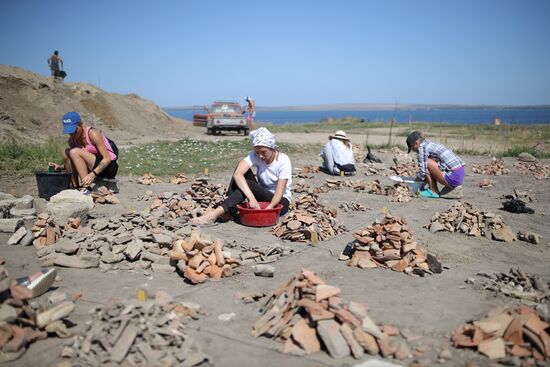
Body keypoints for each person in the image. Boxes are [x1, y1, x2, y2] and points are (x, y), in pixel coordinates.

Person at [190, 127, 292, 225]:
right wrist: (252, 198)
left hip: (279, 202)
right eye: (257, 152)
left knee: (248, 184)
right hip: (261, 196)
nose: (260, 156)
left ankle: (215, 214)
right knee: (240, 171)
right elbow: (238, 174)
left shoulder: (283, 160)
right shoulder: (256, 155)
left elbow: (279, 193)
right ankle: (229, 210)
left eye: (263, 152)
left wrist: (268, 209)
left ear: (272, 148)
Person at [49, 112, 118, 194]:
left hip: (108, 167)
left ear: (80, 124)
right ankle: (75, 186)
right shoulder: (72, 140)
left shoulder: (93, 134)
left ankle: (86, 188)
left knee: (74, 151)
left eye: (74, 130)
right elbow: (76, 161)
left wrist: (93, 174)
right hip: (92, 167)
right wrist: (60, 167)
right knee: (66, 152)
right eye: (69, 132)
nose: (72, 134)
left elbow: (107, 158)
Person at [406, 131, 465, 198]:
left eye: (412, 148)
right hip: (460, 175)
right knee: (429, 162)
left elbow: (423, 171)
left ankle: (433, 191)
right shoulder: (430, 144)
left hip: (452, 178)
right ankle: (433, 189)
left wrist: (416, 181)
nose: (413, 150)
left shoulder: (422, 149)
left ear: (416, 143)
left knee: (426, 163)